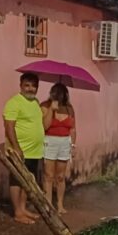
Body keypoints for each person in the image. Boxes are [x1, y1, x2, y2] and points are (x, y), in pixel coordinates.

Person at [3, 73, 45, 224]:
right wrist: (16, 148)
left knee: (28, 180)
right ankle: (17, 212)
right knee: (17, 180)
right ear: (21, 85)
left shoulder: (35, 102)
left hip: (34, 151)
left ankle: (23, 208)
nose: (30, 88)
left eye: (34, 86)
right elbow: (9, 127)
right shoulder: (13, 103)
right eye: (27, 85)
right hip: (19, 151)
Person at [41, 83, 77, 214]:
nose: (58, 95)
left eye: (61, 92)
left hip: (64, 142)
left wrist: (73, 145)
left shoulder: (69, 108)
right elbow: (45, 126)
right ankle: (48, 204)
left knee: (61, 176)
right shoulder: (45, 106)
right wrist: (51, 109)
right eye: (55, 92)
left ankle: (60, 204)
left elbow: (73, 129)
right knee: (48, 175)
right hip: (50, 141)